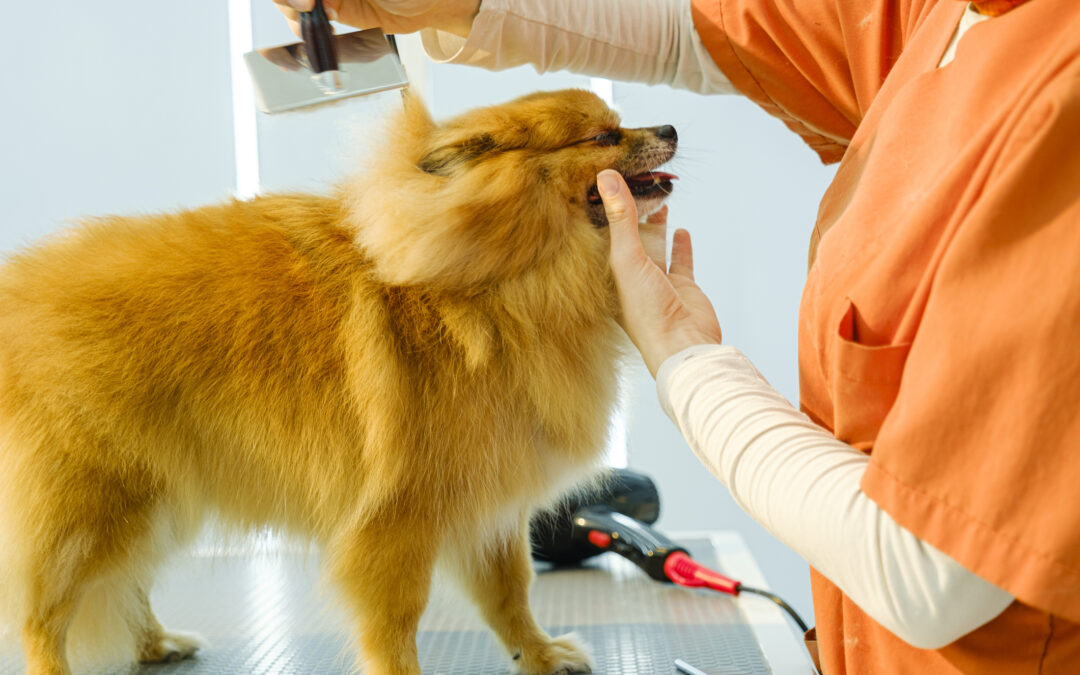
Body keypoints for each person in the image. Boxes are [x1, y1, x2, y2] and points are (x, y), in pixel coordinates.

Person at [278, 1, 1080, 672]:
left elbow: (931, 568)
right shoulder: (945, 13)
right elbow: (710, 29)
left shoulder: (1061, 100)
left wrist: (685, 362)